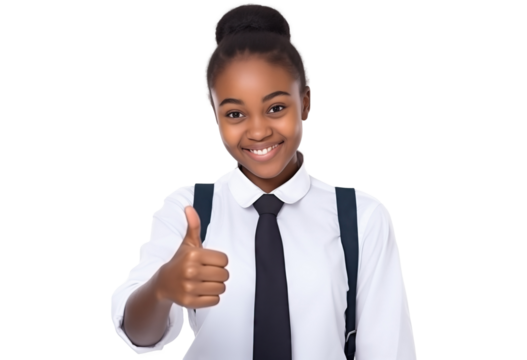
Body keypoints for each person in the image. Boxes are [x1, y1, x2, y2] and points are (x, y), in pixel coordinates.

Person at [109, 1, 417, 359]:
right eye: (236, 113)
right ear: (215, 115)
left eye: (275, 108)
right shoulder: (188, 210)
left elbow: (389, 352)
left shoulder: (362, 217)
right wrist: (162, 287)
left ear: (306, 103)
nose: (258, 130)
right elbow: (138, 334)